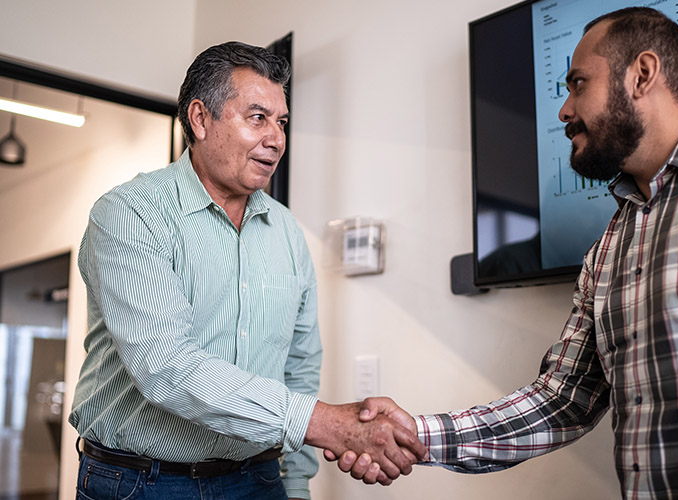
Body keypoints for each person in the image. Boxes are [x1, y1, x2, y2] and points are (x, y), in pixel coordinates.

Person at [329, 7, 678, 498]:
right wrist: (417, 434)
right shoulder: (608, 248)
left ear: (642, 75)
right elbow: (562, 400)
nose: (564, 110)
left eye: (578, 84)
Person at [69, 41, 425, 500]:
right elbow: (168, 368)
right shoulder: (130, 214)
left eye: (281, 122)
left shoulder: (288, 234)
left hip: (260, 479)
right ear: (200, 119)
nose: (276, 139)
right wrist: (327, 425)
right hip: (143, 482)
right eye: (257, 118)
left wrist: (295, 484)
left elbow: (299, 366)